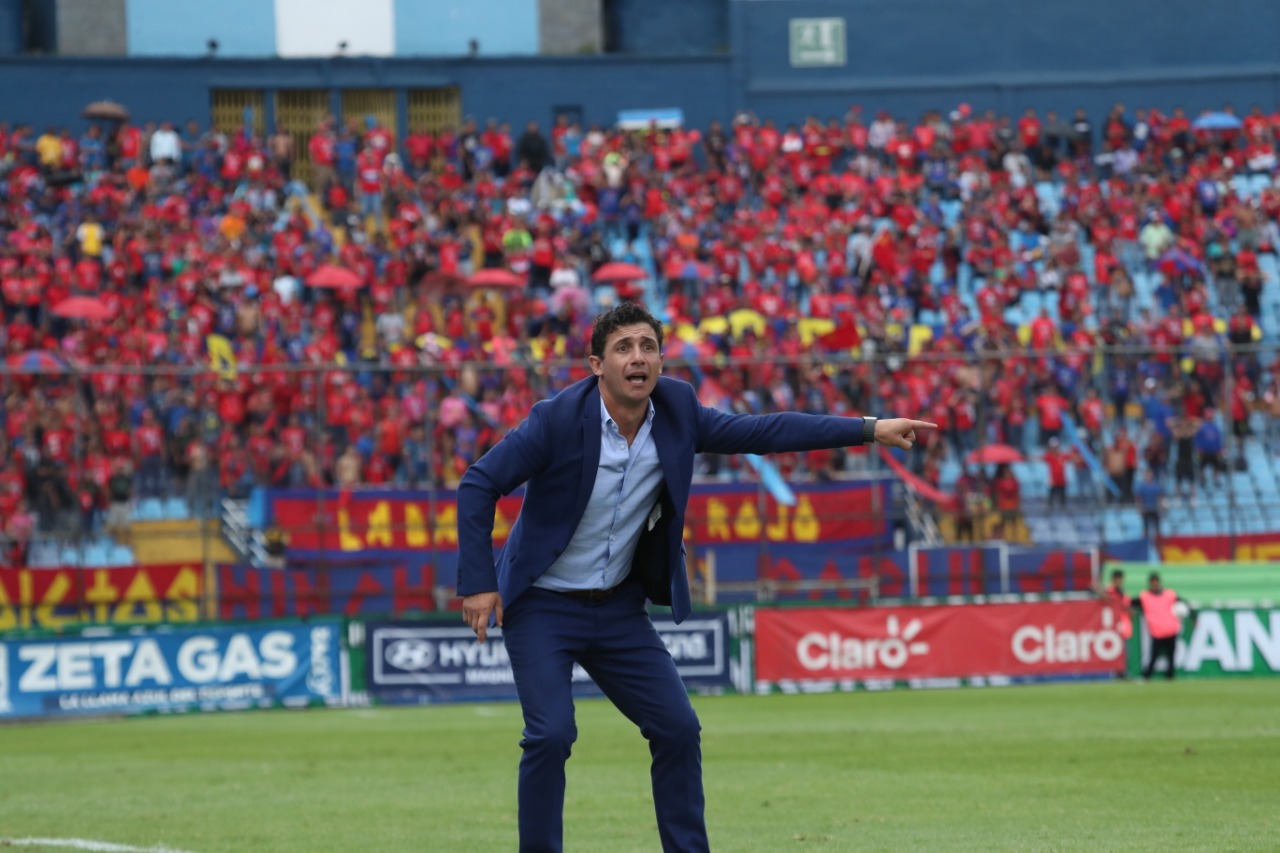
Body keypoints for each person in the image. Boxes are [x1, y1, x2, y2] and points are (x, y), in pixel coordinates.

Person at [457, 303, 935, 853]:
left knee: (679, 728)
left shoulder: (679, 409)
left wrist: (871, 429)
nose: (638, 357)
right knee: (551, 734)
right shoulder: (556, 420)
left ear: (660, 359)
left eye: (648, 346)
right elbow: (479, 483)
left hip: (617, 608)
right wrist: (478, 582)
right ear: (596, 364)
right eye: (623, 348)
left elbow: (767, 430)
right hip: (542, 604)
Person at [1131, 572, 1193, 680]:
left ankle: (1170, 676)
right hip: (1157, 631)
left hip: (1171, 629)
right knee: (1154, 656)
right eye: (1153, 583)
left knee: (1171, 656)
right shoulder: (1145, 596)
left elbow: (1184, 603)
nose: (1155, 585)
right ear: (1150, 584)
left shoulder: (1169, 594)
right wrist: (1130, 610)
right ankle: (1147, 676)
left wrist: (1194, 616)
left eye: (1156, 582)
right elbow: (1131, 603)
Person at [1098, 569, 1133, 678]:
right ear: (1113, 579)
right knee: (1115, 651)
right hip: (1111, 625)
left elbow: (1127, 609)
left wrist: (1129, 611)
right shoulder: (1109, 591)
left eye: (1120, 579)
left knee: (1126, 651)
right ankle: (1116, 673)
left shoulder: (1124, 594)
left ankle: (1122, 672)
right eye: (1117, 579)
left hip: (1124, 625)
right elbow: (1104, 599)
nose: (1119, 581)